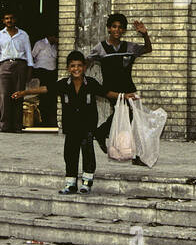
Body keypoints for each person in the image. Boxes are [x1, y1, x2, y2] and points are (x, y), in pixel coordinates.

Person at [15, 50, 132, 194]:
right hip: (71, 126)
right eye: (72, 66)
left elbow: (106, 93)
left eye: (79, 66)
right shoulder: (63, 84)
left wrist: (124, 96)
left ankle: (86, 183)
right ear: (68, 68)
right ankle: (70, 184)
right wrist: (24, 92)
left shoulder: (91, 83)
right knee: (70, 154)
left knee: (88, 154)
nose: (76, 69)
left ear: (84, 67)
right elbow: (46, 89)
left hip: (87, 126)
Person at [88, 13, 151, 148]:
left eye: (121, 27)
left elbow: (147, 49)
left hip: (128, 87)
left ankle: (129, 148)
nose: (117, 30)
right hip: (111, 89)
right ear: (109, 28)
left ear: (124, 30)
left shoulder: (129, 47)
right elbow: (86, 61)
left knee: (129, 117)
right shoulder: (100, 48)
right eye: (114, 27)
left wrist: (145, 34)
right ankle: (102, 132)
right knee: (125, 113)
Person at [0, 11, 32, 132]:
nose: (9, 20)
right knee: (3, 95)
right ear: (3, 21)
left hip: (20, 65)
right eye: (6, 18)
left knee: (18, 95)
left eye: (11, 18)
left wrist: (30, 70)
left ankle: (17, 126)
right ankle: (5, 126)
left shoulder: (23, 35)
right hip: (4, 65)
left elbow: (28, 53)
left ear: (15, 20)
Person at [30, 32, 59, 126]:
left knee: (50, 96)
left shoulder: (55, 46)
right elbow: (32, 56)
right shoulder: (40, 43)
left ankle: (49, 119)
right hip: (41, 71)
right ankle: (42, 119)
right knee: (42, 96)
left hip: (51, 72)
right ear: (51, 36)